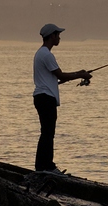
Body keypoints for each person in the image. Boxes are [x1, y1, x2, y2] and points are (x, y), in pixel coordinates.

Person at [33, 23, 92, 173]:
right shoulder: (47, 54)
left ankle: (43, 166)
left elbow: (58, 78)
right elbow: (60, 75)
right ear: (51, 36)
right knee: (48, 133)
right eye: (57, 35)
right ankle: (46, 167)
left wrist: (78, 72)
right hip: (46, 98)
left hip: (42, 97)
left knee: (46, 132)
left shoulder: (41, 54)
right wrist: (81, 75)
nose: (59, 38)